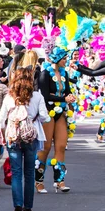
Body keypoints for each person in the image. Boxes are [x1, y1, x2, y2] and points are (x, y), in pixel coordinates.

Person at [0, 68, 50, 211]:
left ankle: (17, 205)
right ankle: (28, 205)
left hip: (13, 136)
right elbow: (44, 117)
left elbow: (1, 120)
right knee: (29, 172)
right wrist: (31, 120)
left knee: (16, 172)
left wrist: (3, 135)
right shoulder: (37, 96)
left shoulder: (9, 97)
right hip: (31, 136)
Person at [36, 47, 76, 193]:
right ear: (57, 59)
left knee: (60, 145)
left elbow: (68, 91)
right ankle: (39, 181)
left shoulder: (64, 73)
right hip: (48, 112)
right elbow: (46, 96)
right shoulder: (44, 74)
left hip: (61, 113)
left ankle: (59, 181)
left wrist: (70, 97)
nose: (66, 61)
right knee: (45, 147)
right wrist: (62, 98)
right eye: (64, 58)